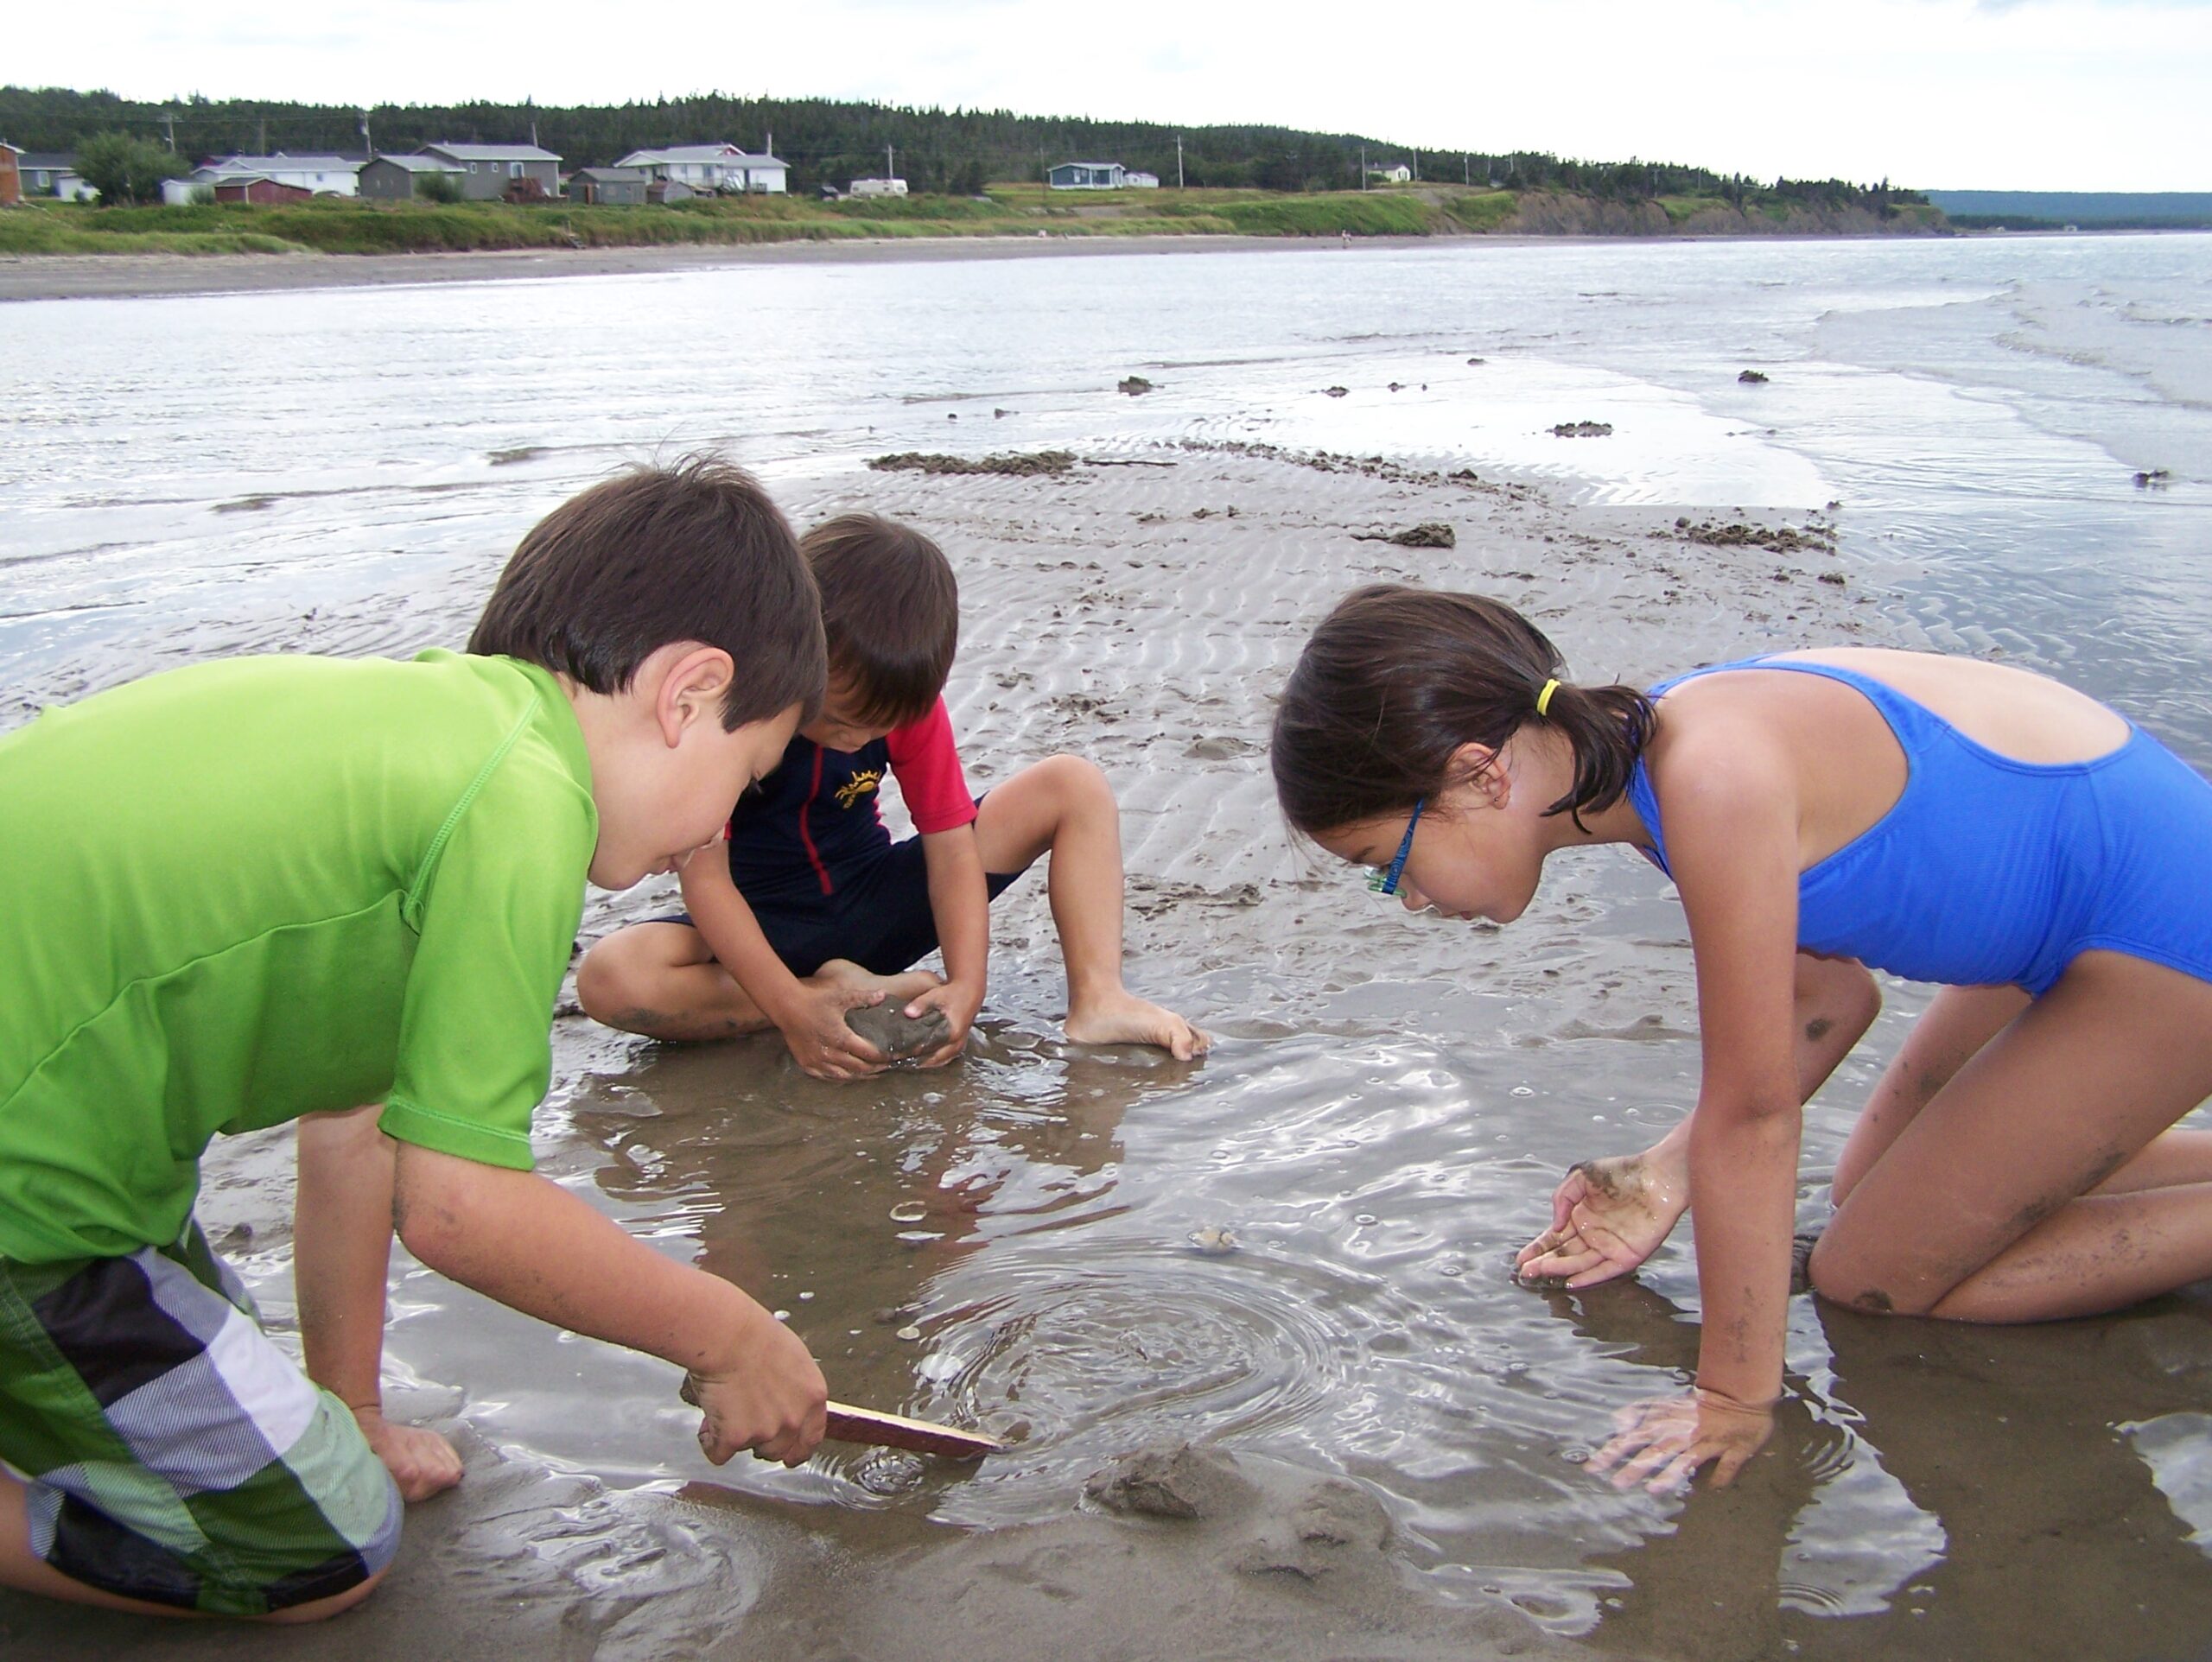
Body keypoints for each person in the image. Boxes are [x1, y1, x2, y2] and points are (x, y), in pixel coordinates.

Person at [0, 459, 835, 1621]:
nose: (724, 827)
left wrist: (351, 1408)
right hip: (29, 1205)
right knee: (320, 1541)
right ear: (687, 696)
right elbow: (461, 1210)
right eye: (746, 779)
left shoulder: (450, 735)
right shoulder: (525, 796)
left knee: (253, 1402)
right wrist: (732, 1334)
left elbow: (357, 1134)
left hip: (84, 1164)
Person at [1270, 583, 2212, 1496]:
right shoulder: (1651, 752)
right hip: (2088, 909)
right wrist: (1664, 1174)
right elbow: (1827, 997)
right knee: (1864, 1190)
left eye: (1384, 865)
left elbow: (1755, 1117)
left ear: (1480, 774)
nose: (1410, 901)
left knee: (1872, 1276)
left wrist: (1732, 1391)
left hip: (2165, 935)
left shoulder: (1711, 781)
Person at [578, 512, 1205, 1077]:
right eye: (845, 718)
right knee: (611, 977)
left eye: (878, 729)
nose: (857, 742)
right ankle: (827, 997)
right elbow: (707, 881)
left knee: (1073, 785)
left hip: (873, 900)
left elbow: (952, 851)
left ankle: (1098, 997)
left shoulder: (907, 708)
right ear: (796, 653)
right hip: (759, 927)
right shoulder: (740, 715)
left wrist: (967, 985)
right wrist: (791, 1006)